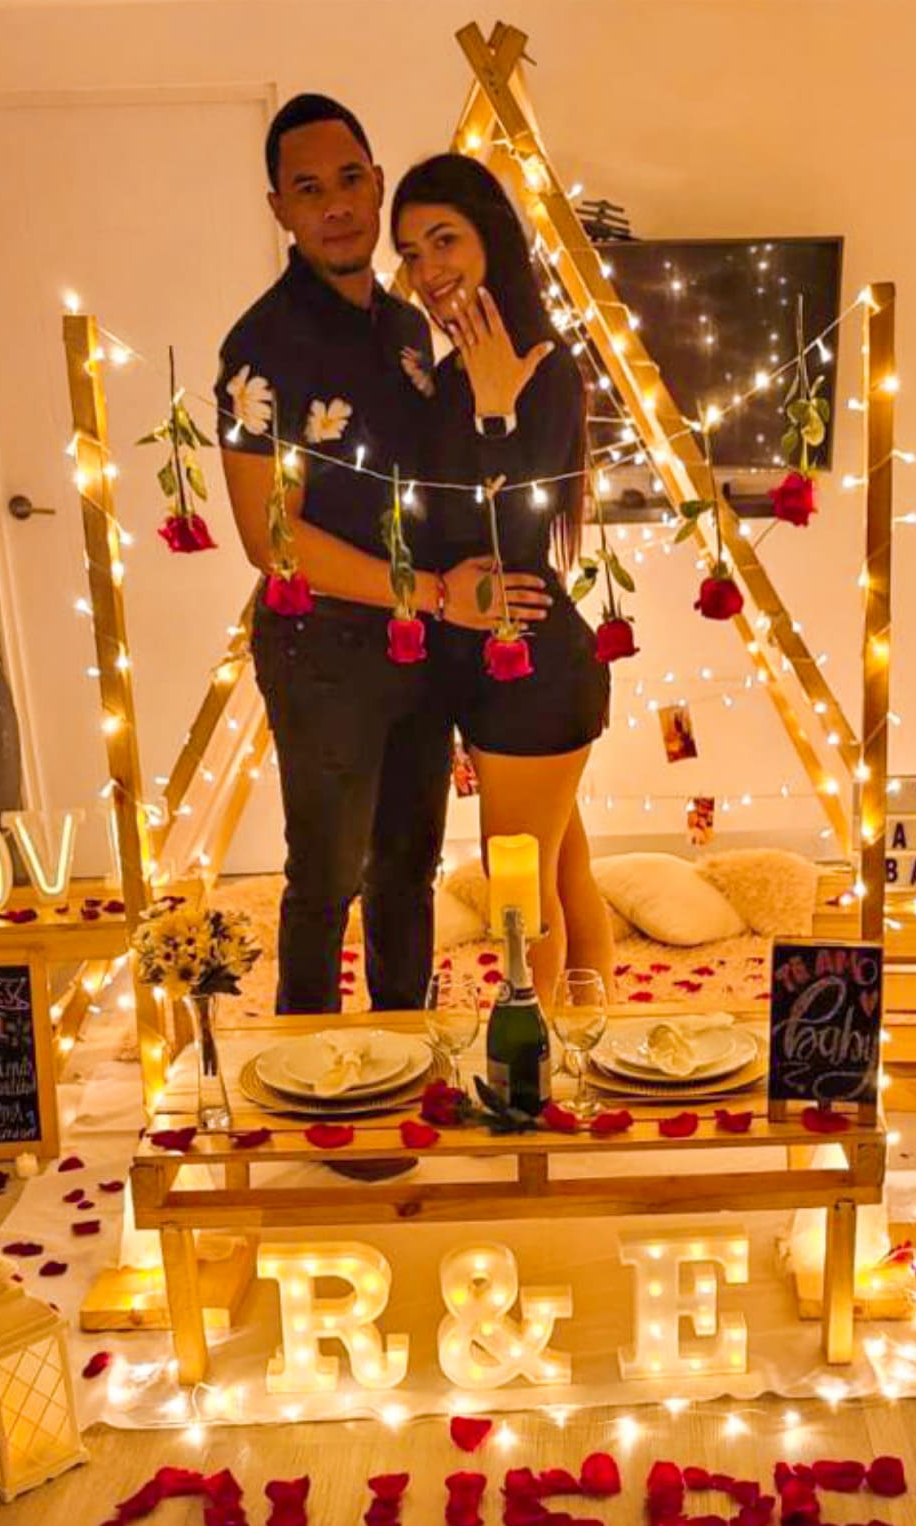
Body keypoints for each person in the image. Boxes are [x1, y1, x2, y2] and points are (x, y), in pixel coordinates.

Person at [214, 95, 551, 1014]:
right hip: (322, 650)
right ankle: (312, 1071)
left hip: (420, 647)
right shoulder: (261, 346)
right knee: (326, 880)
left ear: (375, 184)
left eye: (350, 180)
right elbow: (270, 539)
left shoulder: (407, 328)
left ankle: (405, 1054)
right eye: (307, 188)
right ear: (279, 207)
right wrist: (435, 592)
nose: (335, 204)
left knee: (408, 869)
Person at [391, 154, 614, 1003]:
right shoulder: (451, 372)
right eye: (410, 252)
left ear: (491, 239)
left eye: (443, 239)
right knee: (556, 872)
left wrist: (494, 413)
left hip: (531, 670)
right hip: (492, 666)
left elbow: (515, 534)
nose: (427, 268)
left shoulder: (539, 364)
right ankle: (585, 1044)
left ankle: (533, 1059)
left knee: (518, 893)